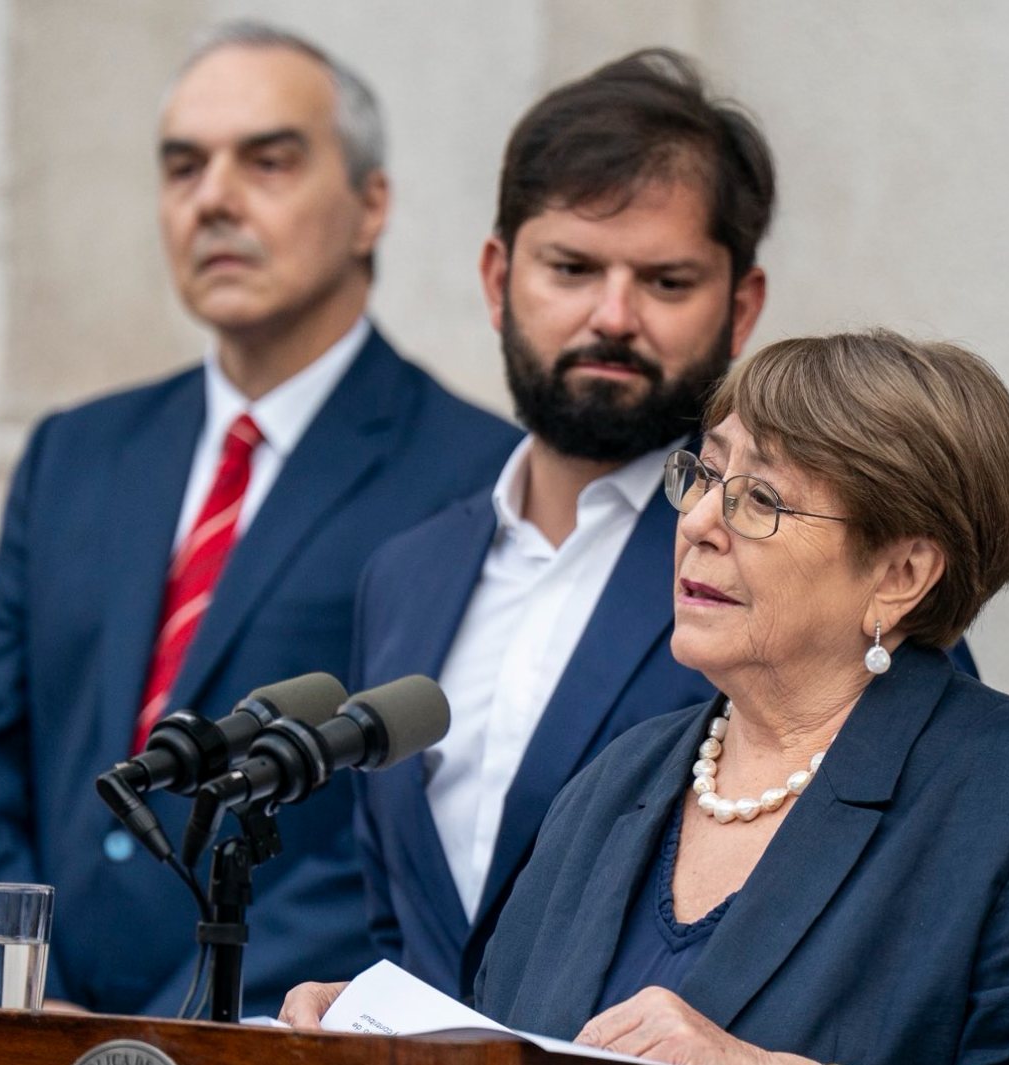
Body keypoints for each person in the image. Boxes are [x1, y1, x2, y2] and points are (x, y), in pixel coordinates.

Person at [291, 331, 1009, 1065]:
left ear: (900, 575)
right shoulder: (617, 784)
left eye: (760, 499)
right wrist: (391, 1050)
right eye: (703, 476)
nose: (700, 521)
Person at [0, 22, 513, 1065]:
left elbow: (415, 835)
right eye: (183, 166)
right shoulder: (78, 454)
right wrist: (32, 1033)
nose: (216, 199)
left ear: (372, 204)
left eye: (268, 159)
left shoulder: (470, 478)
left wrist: (184, 1052)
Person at [350, 51, 976, 1000]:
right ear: (496, 277)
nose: (614, 316)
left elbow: (912, 911)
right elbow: (395, 916)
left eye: (667, 281)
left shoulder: (804, 571)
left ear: (742, 307)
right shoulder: (405, 573)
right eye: (571, 267)